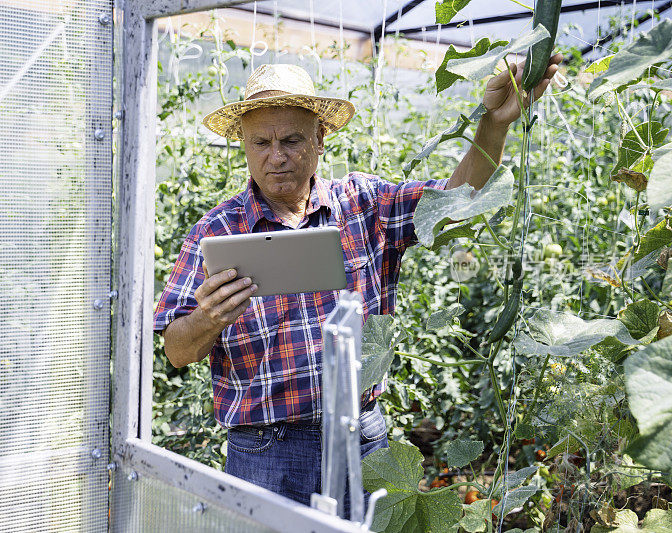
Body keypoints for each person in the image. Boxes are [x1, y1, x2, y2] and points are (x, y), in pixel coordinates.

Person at [153, 57, 561, 508]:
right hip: (266, 451)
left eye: (291, 139)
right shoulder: (218, 231)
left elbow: (456, 202)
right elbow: (177, 350)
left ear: (320, 139)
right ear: (244, 147)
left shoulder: (364, 205)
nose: (277, 155)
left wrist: (494, 125)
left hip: (361, 435)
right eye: (261, 142)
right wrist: (208, 318)